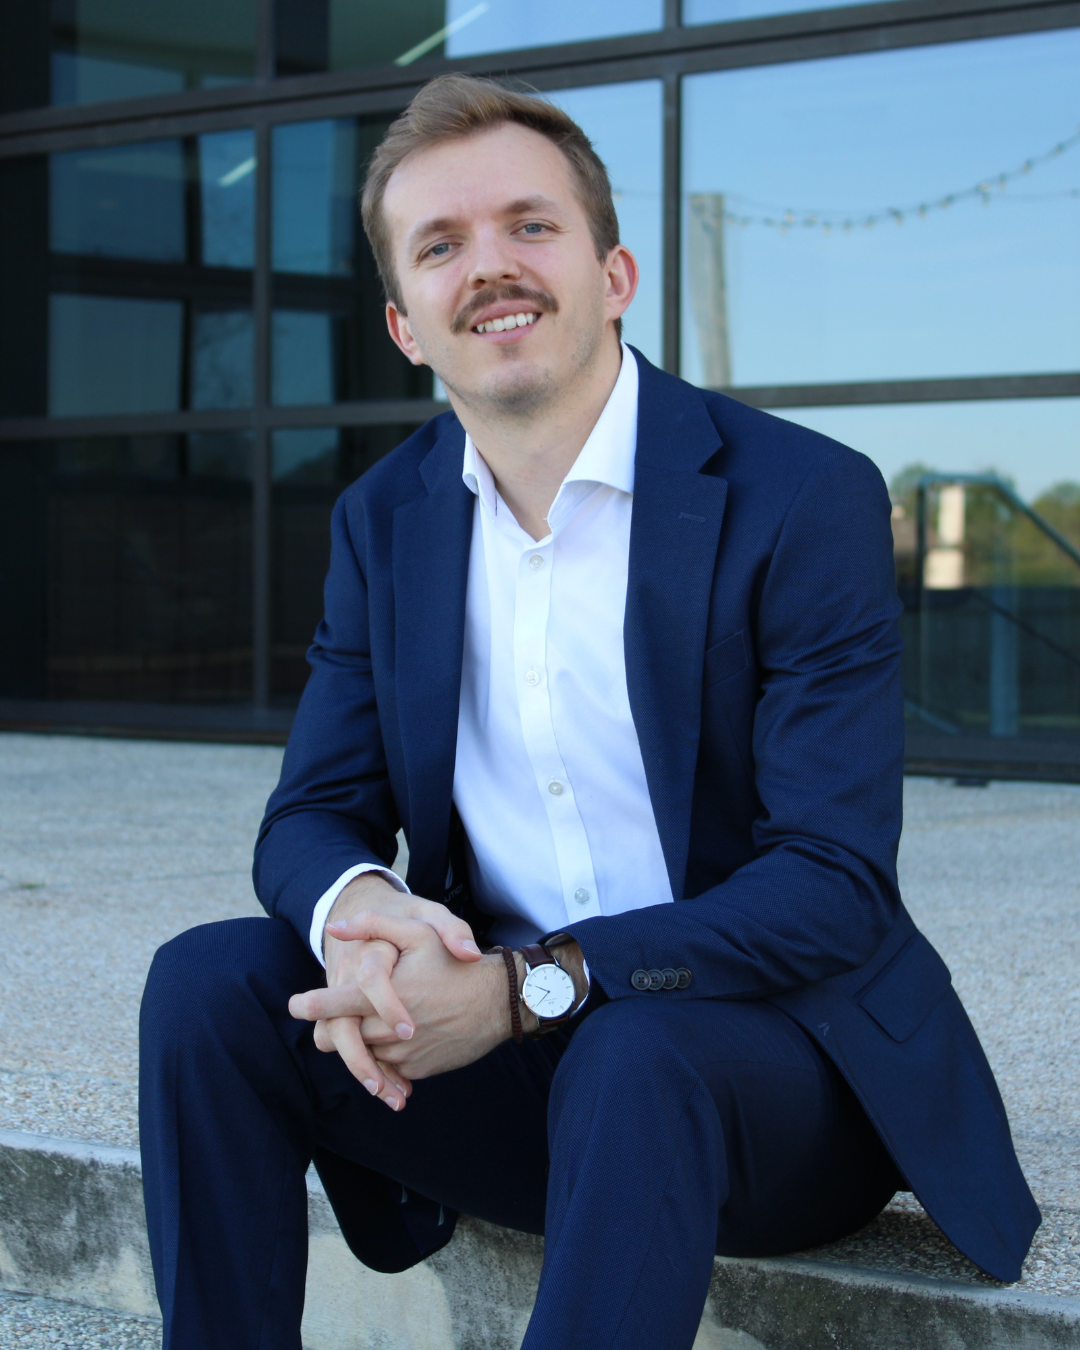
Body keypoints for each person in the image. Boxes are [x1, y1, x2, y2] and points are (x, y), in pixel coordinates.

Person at [139, 73, 1038, 1350]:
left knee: (637, 1055)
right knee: (208, 987)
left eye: (530, 226)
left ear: (614, 273)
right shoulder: (382, 524)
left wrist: (525, 990)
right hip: (521, 1086)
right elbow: (312, 815)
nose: (490, 267)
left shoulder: (800, 496)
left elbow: (832, 883)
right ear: (406, 324)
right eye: (442, 246)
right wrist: (364, 911)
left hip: (777, 1078)